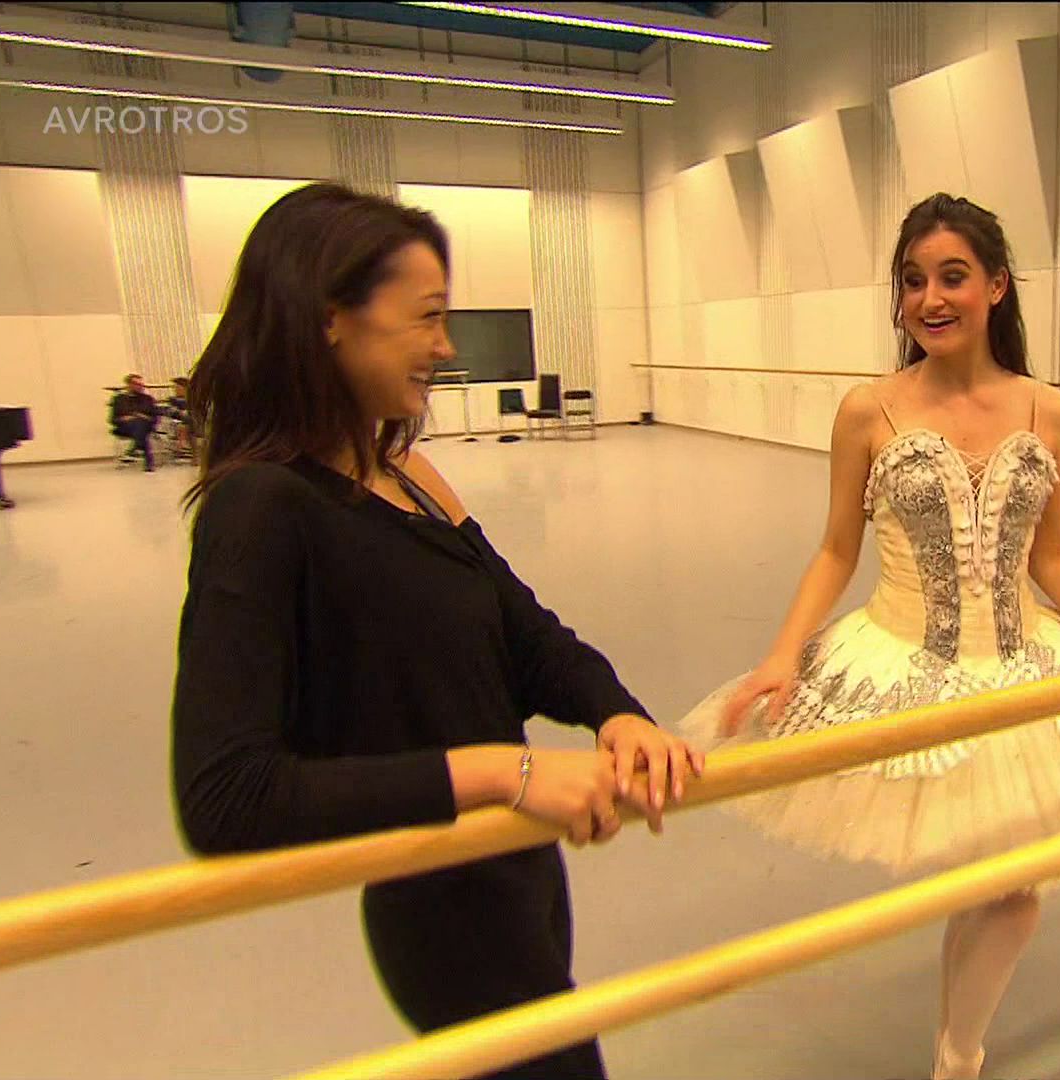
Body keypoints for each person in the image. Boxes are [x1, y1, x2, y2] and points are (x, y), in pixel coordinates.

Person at [170, 182, 703, 1080]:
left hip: (519, 871)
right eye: (426, 317)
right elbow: (227, 796)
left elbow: (525, 635)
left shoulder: (409, 472)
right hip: (439, 900)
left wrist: (615, 712)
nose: (446, 346)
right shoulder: (261, 508)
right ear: (330, 317)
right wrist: (507, 772)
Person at [677, 193, 1060, 1080]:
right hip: (904, 665)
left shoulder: (1048, 411)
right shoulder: (868, 410)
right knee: (994, 884)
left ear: (997, 286)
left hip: (1023, 670)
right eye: (912, 280)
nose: (929, 298)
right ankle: (957, 1052)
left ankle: (956, 1054)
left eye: (952, 277)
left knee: (1007, 890)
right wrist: (780, 656)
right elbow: (835, 549)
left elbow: (1052, 558)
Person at [111, 373, 159, 471]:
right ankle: (142, 456)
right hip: (125, 427)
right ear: (129, 384)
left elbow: (155, 418)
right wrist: (126, 418)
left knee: (140, 424)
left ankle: (135, 451)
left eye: (141, 384)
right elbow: (113, 419)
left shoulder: (147, 399)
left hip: (146, 425)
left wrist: (141, 417)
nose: (140, 386)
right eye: (137, 384)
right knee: (141, 429)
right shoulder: (119, 399)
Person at [165, 375, 193, 457]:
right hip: (178, 420)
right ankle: (183, 446)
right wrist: (181, 412)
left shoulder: (192, 398)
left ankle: (183, 446)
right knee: (182, 425)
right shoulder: (173, 400)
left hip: (193, 420)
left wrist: (186, 412)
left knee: (185, 422)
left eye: (177, 387)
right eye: (174, 387)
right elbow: (171, 411)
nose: (175, 389)